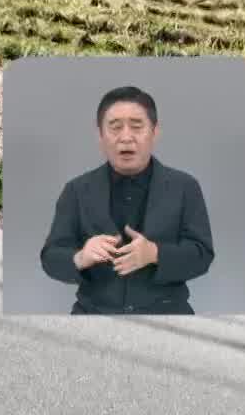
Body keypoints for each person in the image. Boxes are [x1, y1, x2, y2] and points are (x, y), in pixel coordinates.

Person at [39, 85, 215, 314]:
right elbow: (50, 257)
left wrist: (155, 254)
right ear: (100, 135)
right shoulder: (76, 190)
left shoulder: (185, 187)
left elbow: (202, 254)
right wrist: (81, 257)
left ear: (155, 131)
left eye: (136, 126)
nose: (126, 137)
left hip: (168, 314)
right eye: (115, 127)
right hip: (94, 314)